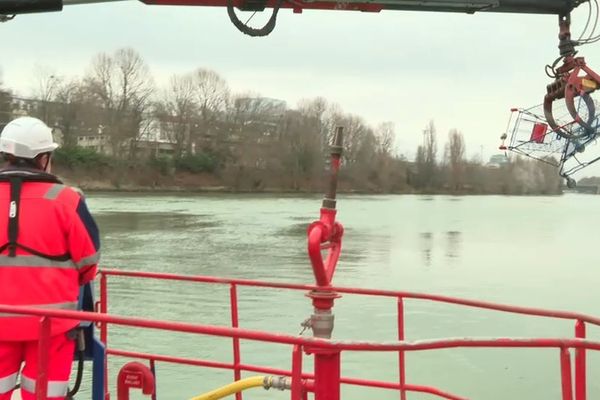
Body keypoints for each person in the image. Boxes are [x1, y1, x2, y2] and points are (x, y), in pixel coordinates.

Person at [0, 117, 100, 400]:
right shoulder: (67, 200)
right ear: (44, 158)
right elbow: (89, 263)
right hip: (52, 326)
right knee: (45, 395)